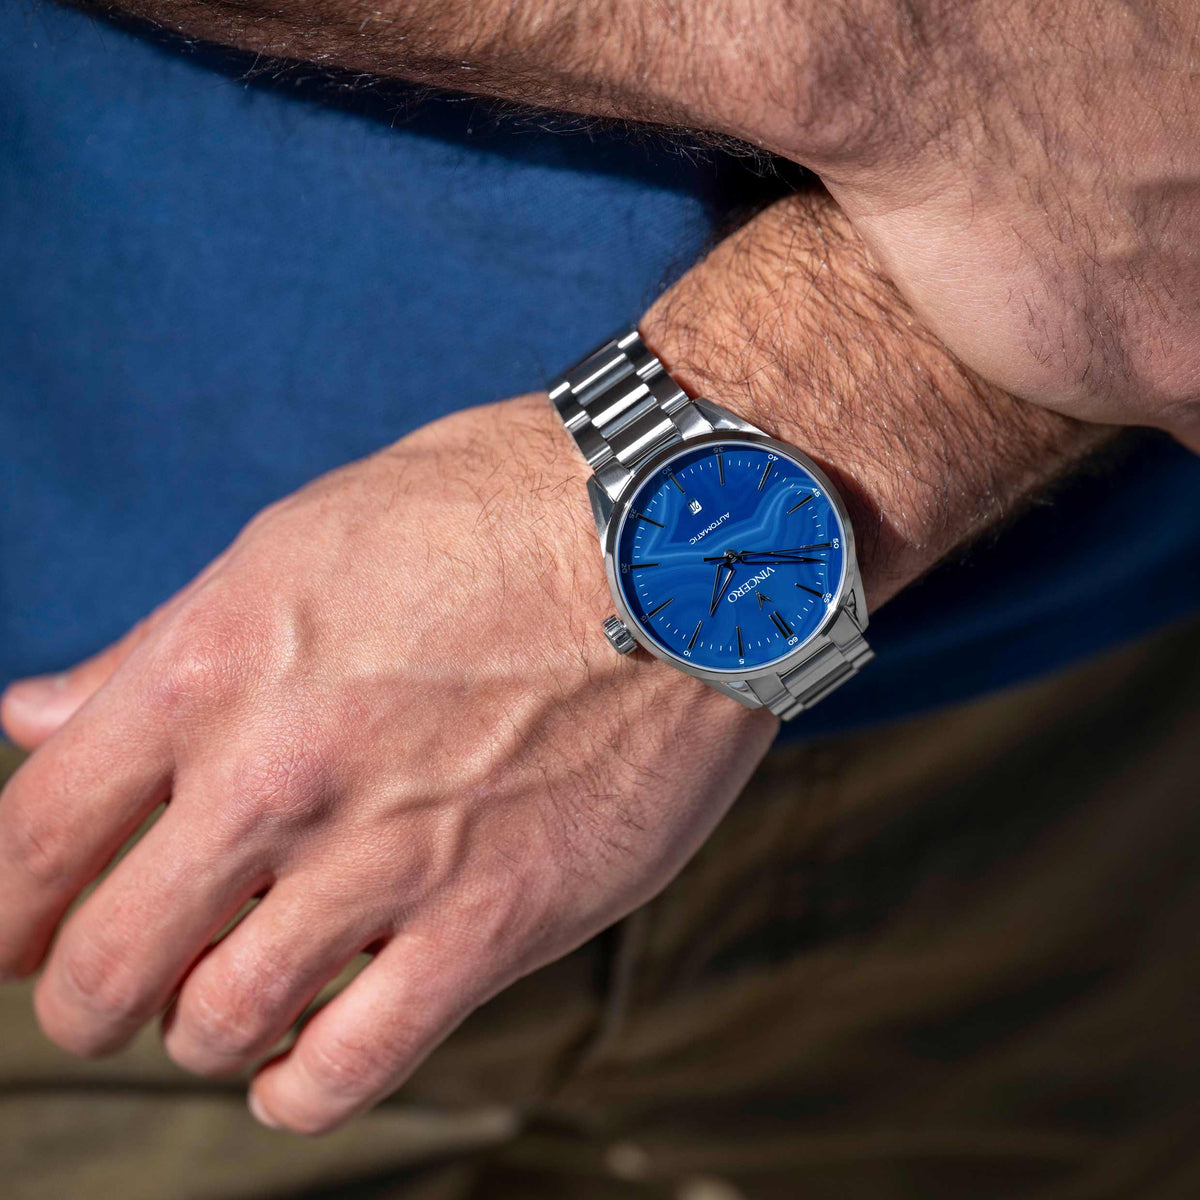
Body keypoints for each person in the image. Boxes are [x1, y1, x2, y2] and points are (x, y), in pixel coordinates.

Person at [0, 0, 1198, 1191]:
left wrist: (858, 396)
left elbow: (1127, 146)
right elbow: (1091, 144)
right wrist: (913, 82)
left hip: (1039, 771)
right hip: (153, 751)